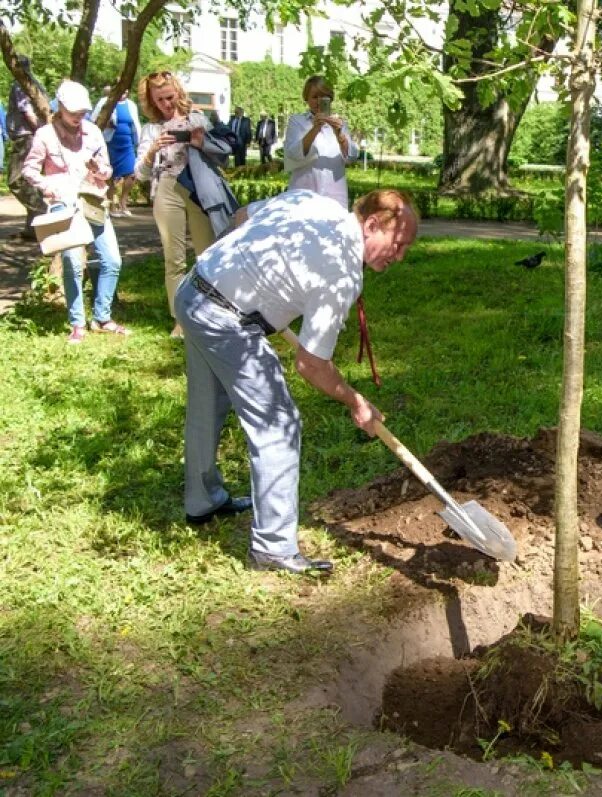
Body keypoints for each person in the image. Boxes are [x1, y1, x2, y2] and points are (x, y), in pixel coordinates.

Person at [175, 188, 418, 574]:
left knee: (208, 404)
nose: (400, 255)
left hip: (195, 289)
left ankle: (203, 500)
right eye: (399, 243)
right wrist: (356, 401)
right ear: (372, 225)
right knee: (279, 425)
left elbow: (242, 216)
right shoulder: (340, 273)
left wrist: (249, 279)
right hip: (225, 318)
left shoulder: (314, 202)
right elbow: (311, 364)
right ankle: (272, 548)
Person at [22, 81, 127, 343]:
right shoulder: (45, 135)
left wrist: (101, 171)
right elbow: (29, 170)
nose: (79, 118)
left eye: (83, 113)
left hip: (93, 201)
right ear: (61, 109)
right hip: (64, 206)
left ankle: (102, 317)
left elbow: (108, 170)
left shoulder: (92, 132)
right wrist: (48, 186)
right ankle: (77, 323)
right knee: (72, 263)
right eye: (74, 113)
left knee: (112, 260)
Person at [135, 70, 216, 339]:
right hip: (166, 188)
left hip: (197, 188)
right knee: (174, 259)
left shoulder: (198, 119)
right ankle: (180, 320)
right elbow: (140, 174)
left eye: (169, 97)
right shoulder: (151, 129)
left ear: (178, 92)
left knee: (207, 256)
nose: (167, 104)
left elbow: (221, 155)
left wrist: (200, 141)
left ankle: (212, 313)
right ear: (152, 103)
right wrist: (151, 151)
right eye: (160, 100)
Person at [283, 76, 358, 208]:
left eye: (324, 97)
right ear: (306, 98)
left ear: (330, 99)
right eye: (315, 97)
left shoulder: (340, 123)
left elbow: (351, 157)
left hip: (334, 192)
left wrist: (340, 135)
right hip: (303, 191)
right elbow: (293, 153)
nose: (319, 101)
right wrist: (315, 129)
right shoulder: (296, 121)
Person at [7, 55, 48, 240]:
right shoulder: (35, 83)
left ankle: (42, 212)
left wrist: (39, 132)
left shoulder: (20, 85)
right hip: (31, 135)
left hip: (26, 137)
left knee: (16, 180)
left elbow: (28, 112)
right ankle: (33, 230)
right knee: (32, 181)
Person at [96, 88, 141, 217]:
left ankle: (123, 203)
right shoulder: (105, 102)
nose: (124, 94)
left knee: (132, 173)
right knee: (109, 173)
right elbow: (95, 119)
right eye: (121, 91)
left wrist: (137, 140)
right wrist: (106, 123)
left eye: (126, 92)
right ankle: (111, 206)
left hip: (127, 143)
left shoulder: (131, 105)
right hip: (110, 142)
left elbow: (135, 123)